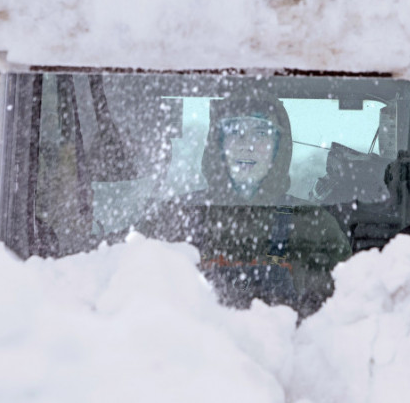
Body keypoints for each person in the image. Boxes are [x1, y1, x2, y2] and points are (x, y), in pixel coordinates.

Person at [141, 91, 351, 317]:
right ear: (218, 143)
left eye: (260, 134)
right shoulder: (176, 217)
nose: (247, 146)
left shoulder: (314, 224)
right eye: (234, 132)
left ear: (278, 146)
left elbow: (343, 313)